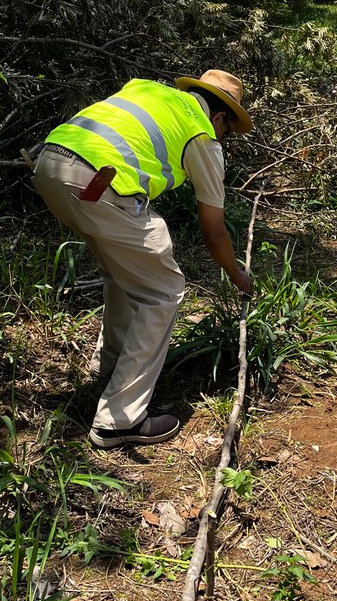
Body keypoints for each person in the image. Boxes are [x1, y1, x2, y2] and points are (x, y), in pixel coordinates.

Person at [33, 69, 254, 450]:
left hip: (50, 164)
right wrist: (238, 275)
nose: (225, 139)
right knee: (163, 291)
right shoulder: (203, 133)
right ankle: (118, 421)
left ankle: (109, 364)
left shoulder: (150, 91)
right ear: (221, 117)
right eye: (228, 131)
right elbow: (214, 231)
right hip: (95, 181)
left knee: (123, 270)